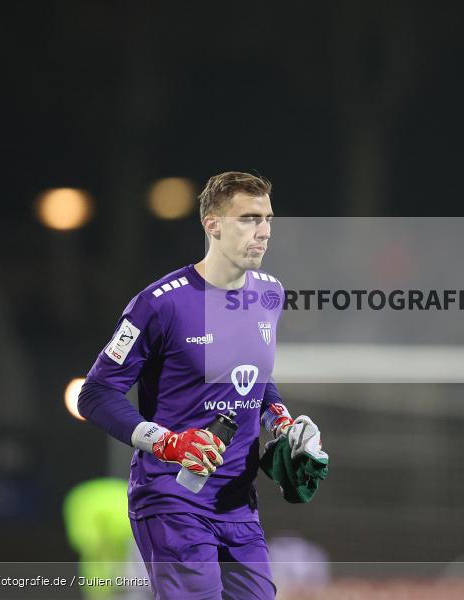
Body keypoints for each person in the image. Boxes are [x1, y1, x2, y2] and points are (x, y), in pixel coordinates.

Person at [78, 171, 322, 600]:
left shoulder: (270, 294)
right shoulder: (158, 304)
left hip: (237, 503)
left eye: (267, 218)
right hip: (172, 498)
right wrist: (168, 443)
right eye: (248, 218)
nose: (263, 231)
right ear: (212, 224)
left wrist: (279, 420)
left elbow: (255, 380)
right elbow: (95, 394)